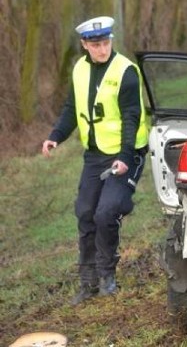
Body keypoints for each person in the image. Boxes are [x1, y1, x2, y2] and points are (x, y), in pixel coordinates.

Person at [42, 17, 149, 305]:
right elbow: (71, 107)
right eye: (95, 45)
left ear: (111, 41)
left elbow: (131, 117)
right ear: (84, 45)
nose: (102, 49)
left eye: (105, 43)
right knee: (86, 212)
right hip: (94, 155)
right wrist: (56, 135)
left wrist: (126, 156)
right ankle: (88, 283)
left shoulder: (126, 71)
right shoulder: (79, 68)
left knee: (107, 212)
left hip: (125, 153)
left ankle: (107, 277)